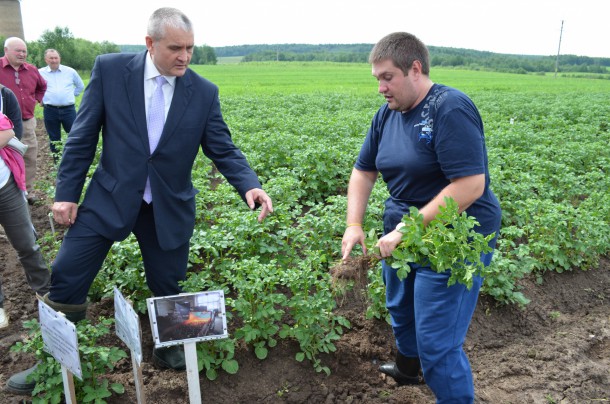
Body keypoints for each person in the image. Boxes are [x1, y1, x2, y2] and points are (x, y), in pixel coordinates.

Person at [6, 7, 273, 395]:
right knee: (67, 273)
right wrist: (66, 194)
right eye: (175, 48)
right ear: (150, 43)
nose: (184, 56)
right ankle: (53, 362)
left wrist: (249, 184)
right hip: (110, 194)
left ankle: (173, 350)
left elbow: (223, 148)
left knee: (170, 282)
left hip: (168, 203)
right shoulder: (111, 71)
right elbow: (82, 136)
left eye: (191, 49)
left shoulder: (203, 92)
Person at [341, 32, 501, 403]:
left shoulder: (449, 108)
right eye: (376, 79)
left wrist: (406, 229)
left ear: (415, 69)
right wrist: (354, 223)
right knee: (401, 308)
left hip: (455, 235)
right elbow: (363, 172)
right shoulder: (388, 113)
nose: (381, 87)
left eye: (387, 77)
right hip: (404, 229)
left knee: (438, 343)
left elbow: (470, 186)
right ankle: (407, 369)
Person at [0, 84, 51, 330]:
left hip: (5, 184)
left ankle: (47, 293)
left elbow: (9, 131)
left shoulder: (3, 94)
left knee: (27, 243)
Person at [0, 37, 47, 204]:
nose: (22, 54)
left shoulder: (32, 70)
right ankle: (5, 190)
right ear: (6, 51)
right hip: (2, 125)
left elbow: (42, 86)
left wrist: (37, 99)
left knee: (28, 156)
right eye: (17, 50)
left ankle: (26, 190)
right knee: (3, 157)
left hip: (26, 122)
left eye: (24, 51)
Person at [38, 49, 85, 162]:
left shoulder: (70, 71)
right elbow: (34, 88)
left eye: (56, 58)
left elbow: (80, 86)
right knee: (54, 138)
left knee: (74, 135)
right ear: (46, 60)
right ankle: (58, 162)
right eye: (51, 58)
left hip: (69, 110)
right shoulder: (39, 73)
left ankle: (75, 159)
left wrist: (70, 95)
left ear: (60, 58)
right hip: (50, 110)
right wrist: (40, 98)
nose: (54, 60)